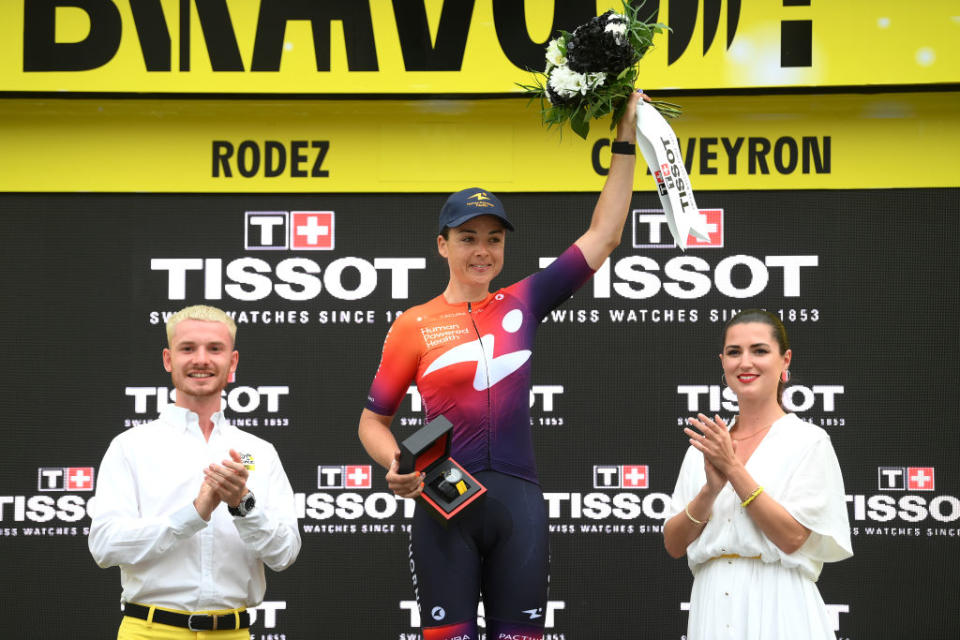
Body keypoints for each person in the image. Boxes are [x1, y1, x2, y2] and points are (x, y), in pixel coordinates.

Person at [357, 90, 648, 640]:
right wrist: (398, 465)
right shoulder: (413, 324)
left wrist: (625, 138)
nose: (482, 251)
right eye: (468, 238)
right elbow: (372, 421)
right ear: (442, 245)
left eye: (493, 239)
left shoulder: (522, 301)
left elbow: (604, 235)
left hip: (519, 507)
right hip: (443, 506)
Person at [89, 305, 301, 639]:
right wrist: (193, 514)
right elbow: (104, 546)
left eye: (214, 349)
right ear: (168, 359)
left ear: (232, 363)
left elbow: (285, 553)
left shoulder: (260, 451)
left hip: (233, 632)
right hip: (149, 631)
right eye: (187, 348)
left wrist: (242, 504)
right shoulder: (130, 446)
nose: (201, 360)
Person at [663, 309, 852, 640]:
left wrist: (734, 470)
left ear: (785, 360)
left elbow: (793, 538)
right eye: (734, 352)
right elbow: (674, 544)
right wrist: (710, 490)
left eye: (760, 350)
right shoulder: (706, 445)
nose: (745, 362)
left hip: (781, 601)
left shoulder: (807, 441)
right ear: (722, 361)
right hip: (711, 604)